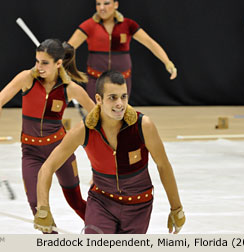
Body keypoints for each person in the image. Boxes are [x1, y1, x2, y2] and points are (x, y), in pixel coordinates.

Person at [34, 70, 185, 234]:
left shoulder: (144, 125)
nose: (120, 103)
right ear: (98, 99)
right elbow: (47, 167)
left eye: (123, 96)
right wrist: (43, 208)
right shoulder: (84, 130)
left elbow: (163, 166)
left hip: (138, 207)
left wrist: (176, 208)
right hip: (101, 203)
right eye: (112, 97)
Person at [0, 39, 96, 230]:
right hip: (31, 152)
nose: (38, 66)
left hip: (60, 150)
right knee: (37, 209)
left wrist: (99, 159)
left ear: (58, 63)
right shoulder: (26, 78)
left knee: (75, 201)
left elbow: (97, 117)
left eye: (44, 62)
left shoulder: (71, 89)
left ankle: (107, 235)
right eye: (37, 61)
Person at [68, 0, 177, 102]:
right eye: (98, 4)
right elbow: (68, 48)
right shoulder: (89, 25)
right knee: (96, 114)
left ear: (116, 4)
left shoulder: (128, 25)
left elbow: (150, 43)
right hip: (96, 80)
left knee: (119, 113)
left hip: (121, 80)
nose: (101, 8)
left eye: (106, 3)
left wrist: (168, 63)